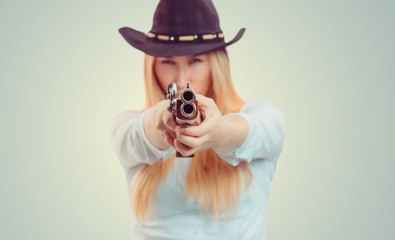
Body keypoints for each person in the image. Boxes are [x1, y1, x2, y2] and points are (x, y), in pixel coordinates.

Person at [110, 0, 286, 239]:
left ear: (217, 63)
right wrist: (161, 120)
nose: (182, 79)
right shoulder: (125, 124)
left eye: (195, 61)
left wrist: (219, 132)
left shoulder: (265, 116)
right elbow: (138, 134)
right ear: (152, 67)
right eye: (168, 62)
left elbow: (253, 131)